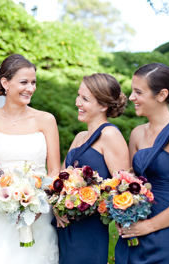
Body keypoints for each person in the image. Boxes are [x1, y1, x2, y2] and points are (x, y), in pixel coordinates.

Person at [0, 54, 61, 263]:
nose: (30, 88)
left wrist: (37, 201)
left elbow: (54, 171)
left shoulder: (46, 120)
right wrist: (8, 200)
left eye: (33, 82)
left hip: (39, 213)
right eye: (24, 82)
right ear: (5, 83)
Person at [114, 63, 169, 264]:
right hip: (133, 231)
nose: (131, 97)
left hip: (166, 233)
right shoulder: (137, 134)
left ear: (162, 95)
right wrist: (122, 215)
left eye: (138, 92)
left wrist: (150, 225)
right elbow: (129, 184)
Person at [54, 73, 130, 264]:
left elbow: (121, 188)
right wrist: (57, 205)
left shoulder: (110, 135)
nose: (77, 102)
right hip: (63, 225)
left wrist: (88, 199)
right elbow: (60, 181)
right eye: (79, 95)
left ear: (103, 106)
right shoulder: (79, 136)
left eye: (85, 99)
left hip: (89, 230)